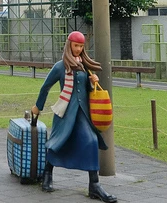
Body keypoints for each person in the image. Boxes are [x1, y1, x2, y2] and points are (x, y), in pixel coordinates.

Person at [31, 31, 116, 202]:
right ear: (69, 45)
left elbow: (87, 91)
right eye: (76, 45)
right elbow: (45, 87)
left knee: (91, 141)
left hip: (83, 113)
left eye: (81, 46)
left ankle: (94, 185)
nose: (78, 49)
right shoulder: (60, 67)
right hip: (65, 113)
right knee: (58, 142)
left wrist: (92, 83)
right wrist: (37, 107)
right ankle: (47, 173)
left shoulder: (85, 66)